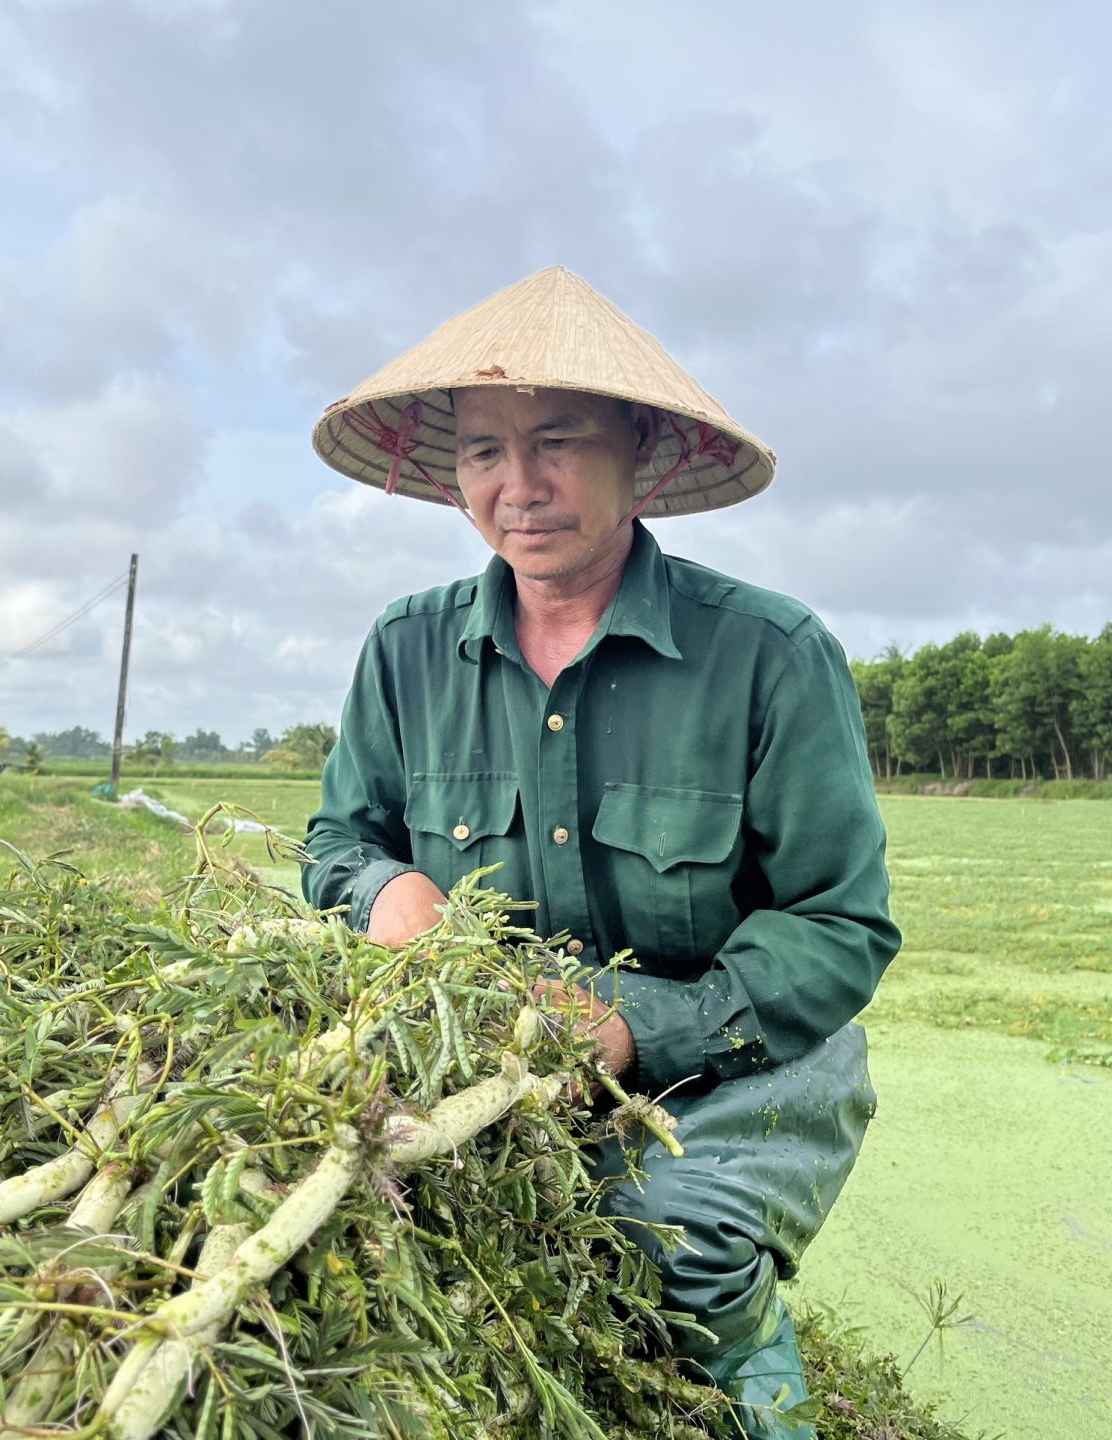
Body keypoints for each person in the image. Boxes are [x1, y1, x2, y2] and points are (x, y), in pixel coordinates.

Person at [302, 267, 899, 1439]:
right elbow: (337, 839)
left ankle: (762, 1406)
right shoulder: (405, 650)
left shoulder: (771, 654)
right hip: (484, 1049)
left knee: (661, 1233)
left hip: (732, 1057)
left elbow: (840, 926)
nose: (516, 487)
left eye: (558, 440)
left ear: (642, 458)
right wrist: (383, 888)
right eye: (482, 451)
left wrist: (634, 1030)